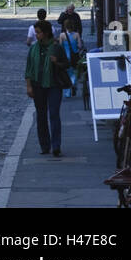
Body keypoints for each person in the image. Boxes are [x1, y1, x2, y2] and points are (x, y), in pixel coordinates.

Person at [25, 19, 70, 157]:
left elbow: (67, 64)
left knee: (54, 114)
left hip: (54, 85)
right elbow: (29, 69)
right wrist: (29, 86)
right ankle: (44, 145)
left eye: (38, 32)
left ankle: (56, 146)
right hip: (38, 85)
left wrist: (56, 62)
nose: (36, 35)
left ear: (45, 33)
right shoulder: (34, 49)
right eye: (35, 32)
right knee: (41, 116)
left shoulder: (56, 47)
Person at [56, 16, 86, 99]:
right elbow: (80, 46)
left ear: (65, 26)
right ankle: (73, 83)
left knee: (66, 74)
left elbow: (60, 46)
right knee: (74, 73)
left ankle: (67, 93)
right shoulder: (76, 34)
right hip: (75, 56)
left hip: (65, 57)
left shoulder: (62, 35)